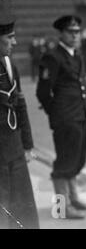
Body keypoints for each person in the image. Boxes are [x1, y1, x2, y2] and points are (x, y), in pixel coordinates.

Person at [36, 15, 86, 219]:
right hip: (65, 118)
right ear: (61, 33)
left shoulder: (76, 54)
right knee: (63, 163)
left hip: (79, 115)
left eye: (77, 31)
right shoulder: (52, 57)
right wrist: (57, 113)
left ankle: (73, 198)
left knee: (76, 159)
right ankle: (61, 208)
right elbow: (43, 92)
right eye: (71, 32)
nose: (75, 35)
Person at [0, 14, 39, 229]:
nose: (14, 42)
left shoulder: (9, 64)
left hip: (14, 147)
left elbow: (21, 105)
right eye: (10, 37)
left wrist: (28, 144)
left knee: (22, 207)